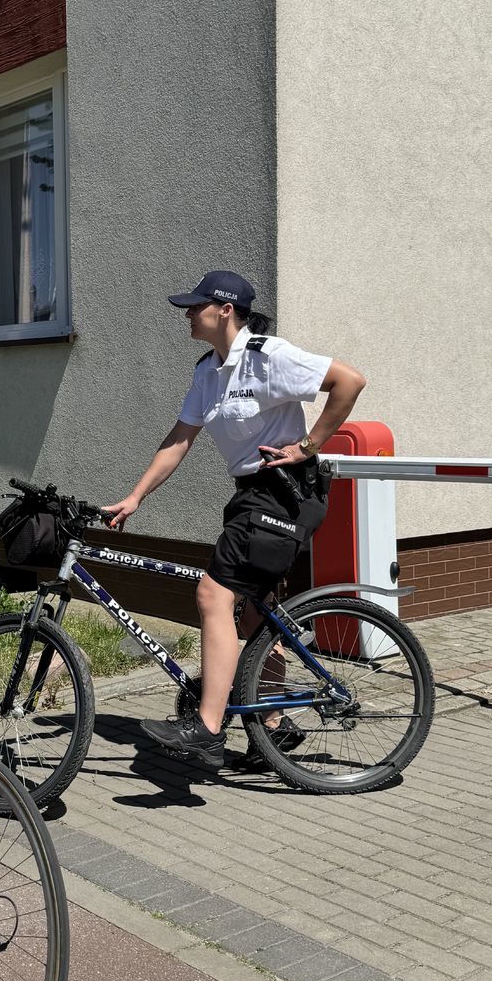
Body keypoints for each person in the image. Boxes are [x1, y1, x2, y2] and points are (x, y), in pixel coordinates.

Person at [104, 270, 366, 770]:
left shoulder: (270, 356)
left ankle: (206, 727)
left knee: (212, 595)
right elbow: (180, 438)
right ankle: (273, 726)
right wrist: (136, 496)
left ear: (225, 309)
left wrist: (308, 445)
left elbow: (349, 382)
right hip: (251, 497)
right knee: (253, 611)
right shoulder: (209, 371)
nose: (186, 314)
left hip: (284, 493)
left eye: (195, 306)